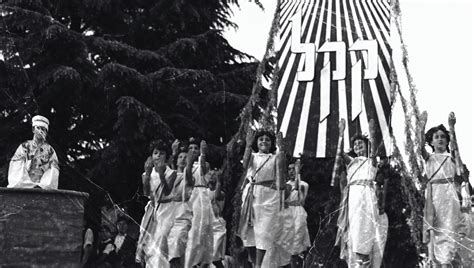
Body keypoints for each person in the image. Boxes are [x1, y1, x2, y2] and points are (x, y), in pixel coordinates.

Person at [335, 119, 388, 268]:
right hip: (354, 198)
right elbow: (339, 154)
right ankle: (359, 262)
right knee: (356, 232)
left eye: (361, 143)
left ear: (366, 145)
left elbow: (373, 152)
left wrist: (371, 133)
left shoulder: (371, 161)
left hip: (368, 196)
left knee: (367, 232)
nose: (358, 146)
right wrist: (341, 133)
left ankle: (364, 261)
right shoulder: (351, 162)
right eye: (355, 144)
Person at [420, 112, 469, 267]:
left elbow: (456, 150)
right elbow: (420, 148)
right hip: (434, 198)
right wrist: (421, 128)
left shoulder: (450, 157)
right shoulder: (429, 158)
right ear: (432, 142)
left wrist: (452, 128)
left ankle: (448, 262)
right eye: (436, 137)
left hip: (449, 198)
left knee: (449, 233)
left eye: (443, 136)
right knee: (436, 233)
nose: (440, 139)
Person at [238, 129, 286, 268]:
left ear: (272, 144)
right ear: (256, 143)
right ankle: (254, 263)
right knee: (249, 234)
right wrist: (247, 145)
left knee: (264, 233)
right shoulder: (253, 156)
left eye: (267, 140)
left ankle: (258, 265)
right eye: (261, 139)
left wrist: (281, 149)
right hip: (252, 197)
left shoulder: (275, 157)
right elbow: (245, 164)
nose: (264, 141)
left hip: (269, 198)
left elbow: (281, 171)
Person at [135, 140, 176, 266]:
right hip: (152, 211)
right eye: (155, 153)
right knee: (149, 243)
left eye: (161, 153)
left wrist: (161, 175)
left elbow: (167, 192)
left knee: (161, 242)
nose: (158, 156)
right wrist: (147, 174)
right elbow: (146, 192)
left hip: (166, 210)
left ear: (166, 156)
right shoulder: (147, 173)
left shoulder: (171, 173)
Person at [184, 138, 214, 268]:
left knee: (203, 226)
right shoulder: (184, 164)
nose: (193, 151)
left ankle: (201, 259)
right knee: (191, 228)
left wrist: (203, 153)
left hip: (201, 194)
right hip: (189, 195)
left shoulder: (205, 164)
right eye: (191, 148)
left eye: (196, 148)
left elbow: (202, 170)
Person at [8, 115, 59, 189]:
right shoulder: (24, 147)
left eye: (43, 129)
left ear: (46, 132)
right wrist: (27, 184)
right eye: (38, 128)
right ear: (33, 129)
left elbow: (53, 172)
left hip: (43, 189)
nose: (40, 131)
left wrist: (43, 185)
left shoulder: (50, 150)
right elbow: (17, 168)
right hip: (24, 187)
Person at [168, 144, 193, 267]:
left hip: (182, 215)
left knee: (177, 243)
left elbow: (187, 175)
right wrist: (173, 153)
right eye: (180, 157)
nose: (183, 159)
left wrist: (190, 162)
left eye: (185, 157)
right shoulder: (170, 175)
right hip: (168, 215)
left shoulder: (188, 177)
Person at [286, 159, 311, 267]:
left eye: (294, 169)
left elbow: (299, 192)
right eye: (289, 169)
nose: (292, 171)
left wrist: (298, 174)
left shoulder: (304, 184)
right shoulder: (285, 185)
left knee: (296, 245)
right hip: (287, 214)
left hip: (298, 214)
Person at [208, 169, 227, 268]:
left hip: (217, 226)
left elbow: (216, 196)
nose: (211, 176)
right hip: (206, 226)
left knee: (214, 257)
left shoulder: (221, 193)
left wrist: (219, 181)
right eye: (210, 174)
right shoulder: (203, 191)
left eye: (214, 175)